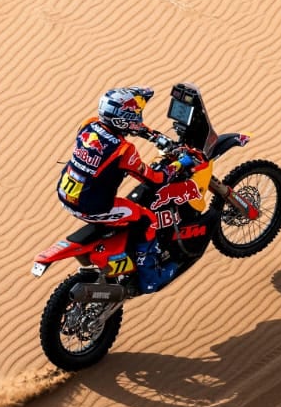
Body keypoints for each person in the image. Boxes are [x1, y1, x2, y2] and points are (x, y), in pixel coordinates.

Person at [56, 86, 197, 290]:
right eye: (135, 113)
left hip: (66, 195)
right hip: (92, 207)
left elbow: (131, 128)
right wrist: (178, 165)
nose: (138, 116)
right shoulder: (124, 151)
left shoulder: (89, 125)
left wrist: (156, 137)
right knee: (148, 219)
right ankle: (150, 277)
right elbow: (155, 178)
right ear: (121, 119)